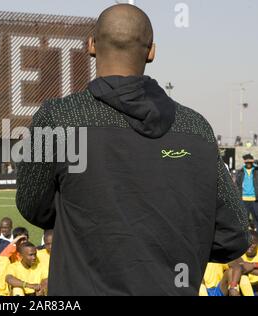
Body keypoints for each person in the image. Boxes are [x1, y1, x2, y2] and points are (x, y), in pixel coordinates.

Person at [15, 4, 250, 295]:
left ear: (91, 46)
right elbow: (234, 231)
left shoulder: (57, 118)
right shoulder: (196, 128)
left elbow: (32, 204)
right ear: (151, 51)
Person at [236, 154, 258, 229]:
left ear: (252, 162)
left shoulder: (256, 171)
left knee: (256, 218)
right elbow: (237, 185)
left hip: (255, 199)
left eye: (250, 162)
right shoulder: (240, 172)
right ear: (245, 163)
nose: (248, 164)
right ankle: (245, 237)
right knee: (244, 220)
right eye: (247, 162)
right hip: (244, 199)